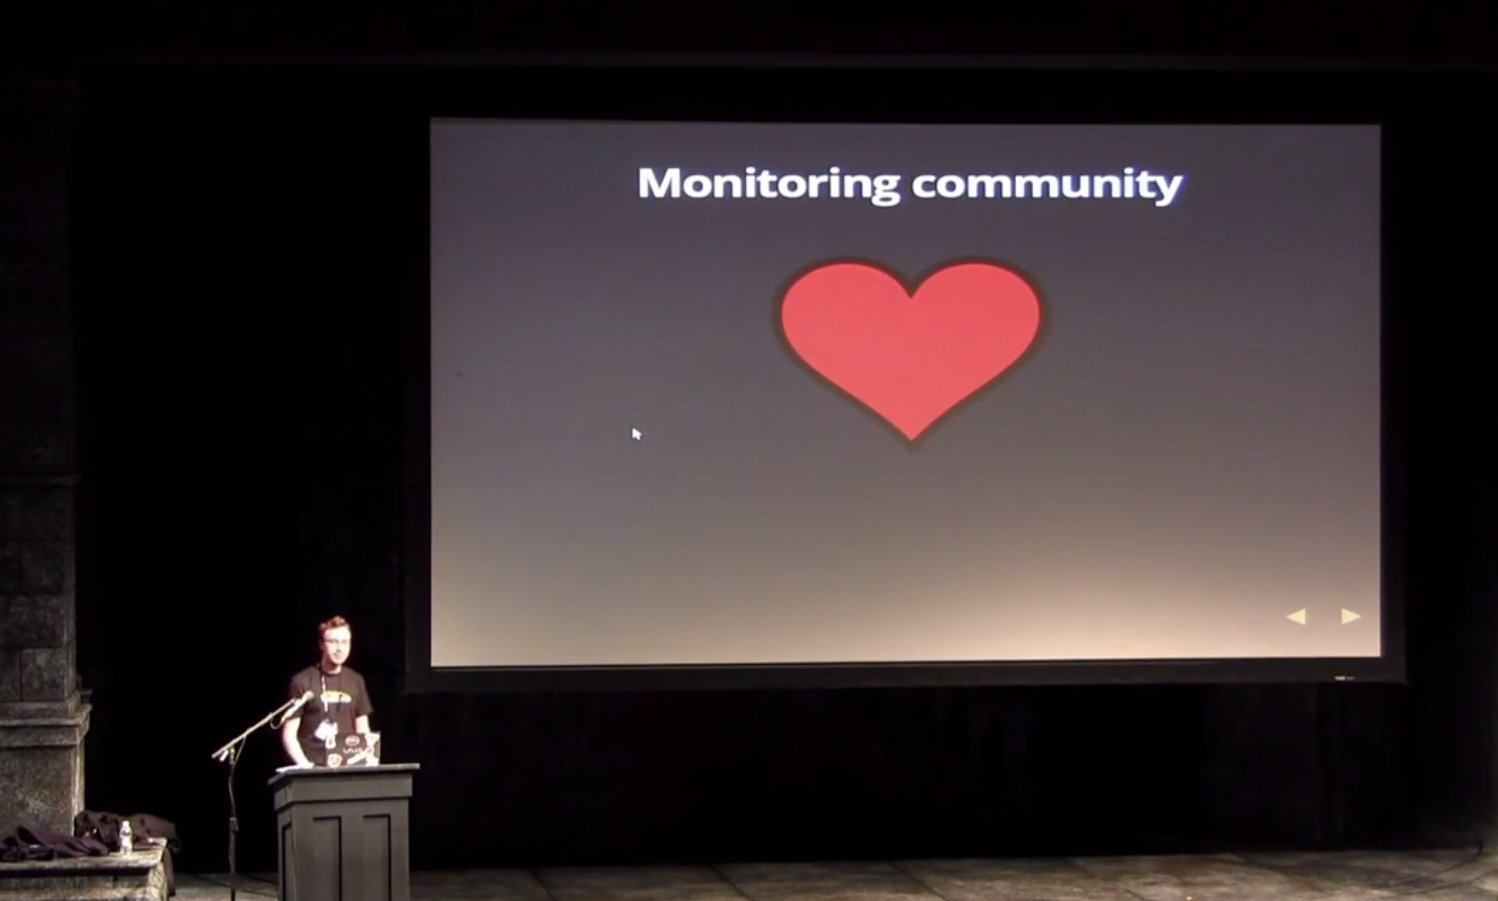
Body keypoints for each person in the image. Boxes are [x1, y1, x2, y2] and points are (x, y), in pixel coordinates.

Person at [280, 616, 373, 768]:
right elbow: (289, 734)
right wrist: (305, 766)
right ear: (321, 644)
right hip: (314, 767)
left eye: (345, 642)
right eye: (334, 642)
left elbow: (363, 728)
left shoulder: (356, 680)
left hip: (348, 767)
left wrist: (365, 760)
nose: (340, 648)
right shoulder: (302, 681)